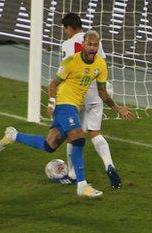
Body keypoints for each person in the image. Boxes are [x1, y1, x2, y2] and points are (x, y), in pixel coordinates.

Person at [0, 30, 133, 198]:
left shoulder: (100, 65)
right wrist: (52, 102)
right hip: (63, 103)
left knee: (50, 145)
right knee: (78, 138)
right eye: (89, 44)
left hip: (74, 106)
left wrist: (117, 108)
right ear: (83, 44)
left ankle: (14, 135)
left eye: (95, 45)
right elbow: (53, 84)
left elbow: (102, 92)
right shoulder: (71, 61)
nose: (92, 48)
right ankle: (82, 185)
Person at [59, 13, 123, 188]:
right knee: (95, 132)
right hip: (96, 89)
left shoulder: (68, 44)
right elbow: (100, 65)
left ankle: (72, 174)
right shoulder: (95, 41)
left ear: (69, 28)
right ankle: (109, 165)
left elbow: (65, 70)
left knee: (72, 133)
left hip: (77, 92)